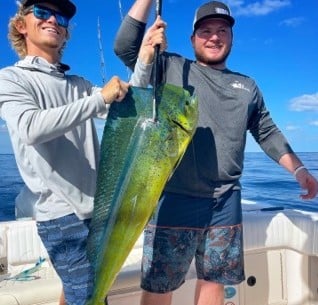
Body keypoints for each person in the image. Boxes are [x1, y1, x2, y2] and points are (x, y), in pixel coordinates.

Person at [114, 1, 318, 305]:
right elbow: (125, 47)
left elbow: (267, 132)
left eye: (222, 30)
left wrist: (300, 171)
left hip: (225, 200)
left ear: (232, 38)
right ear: (193, 39)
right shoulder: (170, 67)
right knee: (160, 286)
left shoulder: (247, 87)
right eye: (205, 31)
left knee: (214, 283)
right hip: (174, 198)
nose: (214, 37)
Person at [0, 0, 132, 304]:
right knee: (90, 297)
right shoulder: (11, 78)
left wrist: (147, 58)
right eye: (42, 12)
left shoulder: (78, 83)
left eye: (60, 16)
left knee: (82, 293)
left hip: (96, 211)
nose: (53, 20)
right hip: (60, 216)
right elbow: (30, 127)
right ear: (21, 26)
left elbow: (123, 105)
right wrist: (99, 99)